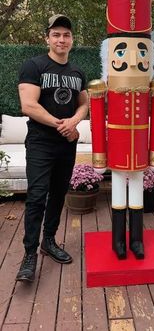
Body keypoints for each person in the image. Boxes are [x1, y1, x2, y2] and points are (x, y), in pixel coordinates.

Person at [88, 0, 154, 260]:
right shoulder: (102, 88)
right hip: (118, 150)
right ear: (108, 56)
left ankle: (136, 240)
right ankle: (117, 242)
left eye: (141, 51)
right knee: (118, 196)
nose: (133, 59)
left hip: (139, 153)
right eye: (121, 52)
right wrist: (99, 157)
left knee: (136, 192)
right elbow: (97, 120)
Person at [16, 14, 88, 282]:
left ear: (72, 40)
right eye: (56, 34)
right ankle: (29, 254)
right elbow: (29, 105)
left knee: (59, 193)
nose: (61, 39)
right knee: (36, 197)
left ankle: (49, 241)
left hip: (66, 145)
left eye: (66, 35)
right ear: (47, 38)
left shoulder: (78, 72)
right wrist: (62, 125)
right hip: (41, 143)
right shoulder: (33, 66)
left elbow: (84, 103)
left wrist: (75, 121)